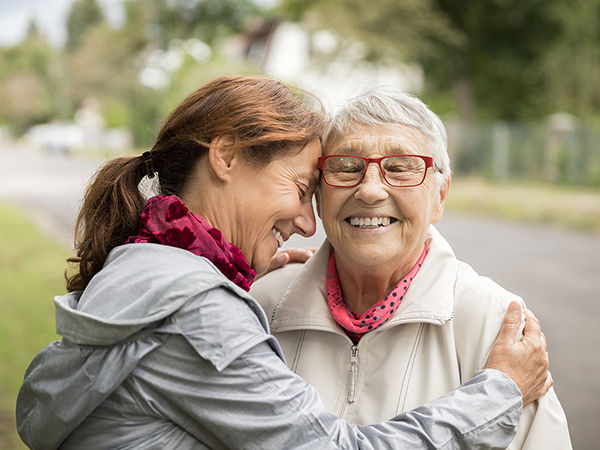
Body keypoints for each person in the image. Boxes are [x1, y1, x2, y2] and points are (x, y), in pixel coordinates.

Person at [16, 76, 551, 450]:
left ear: (441, 192)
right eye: (305, 186)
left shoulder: (147, 269)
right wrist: (499, 392)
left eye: (402, 169)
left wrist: (229, 291)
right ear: (224, 156)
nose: (306, 221)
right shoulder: (203, 310)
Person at [251, 88, 571, 449]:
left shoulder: (496, 323)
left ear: (441, 196)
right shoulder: (260, 306)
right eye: (347, 167)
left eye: (401, 169)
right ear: (319, 196)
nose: (370, 191)